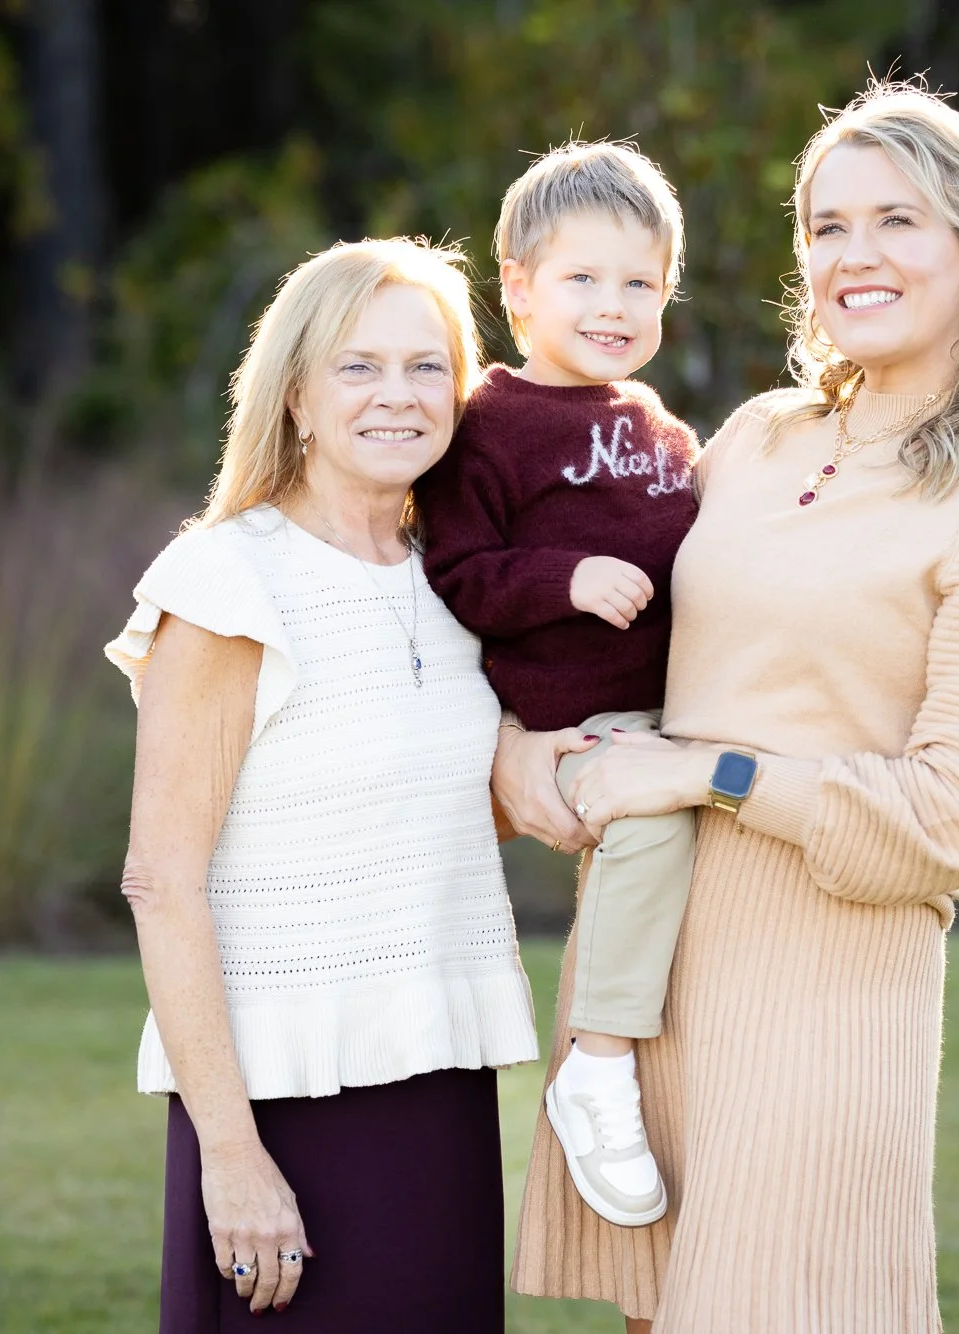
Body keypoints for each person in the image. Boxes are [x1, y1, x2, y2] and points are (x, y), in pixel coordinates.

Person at [501, 81, 959, 1332]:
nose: (852, 256)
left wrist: (704, 771)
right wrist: (514, 749)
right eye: (825, 227)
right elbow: (604, 639)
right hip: (645, 984)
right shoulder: (757, 439)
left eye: (896, 221)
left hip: (826, 995)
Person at [105, 237, 539, 1333]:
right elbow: (162, 880)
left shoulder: (456, 580)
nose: (398, 394)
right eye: (358, 366)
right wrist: (232, 1156)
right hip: (279, 1107)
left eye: (426, 365)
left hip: (438, 1085)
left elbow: (458, 811)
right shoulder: (227, 581)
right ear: (295, 393)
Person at [415, 140, 700, 1230]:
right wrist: (565, 577)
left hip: (676, 710)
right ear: (519, 288)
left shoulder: (653, 425)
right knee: (651, 823)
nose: (613, 305)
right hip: (573, 722)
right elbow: (457, 573)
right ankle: (595, 1062)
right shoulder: (487, 426)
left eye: (640, 283)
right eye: (582, 279)